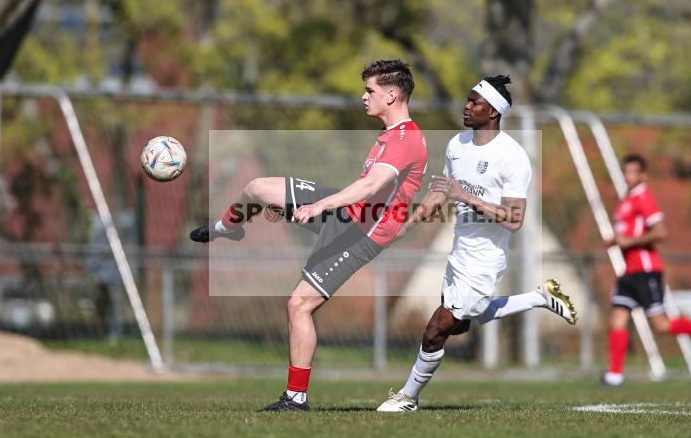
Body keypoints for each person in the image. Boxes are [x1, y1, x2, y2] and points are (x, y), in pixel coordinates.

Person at [190, 59, 428, 411]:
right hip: (348, 215)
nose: (364, 97)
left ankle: (296, 397)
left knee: (298, 305)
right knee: (257, 188)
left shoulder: (408, 139)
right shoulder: (390, 135)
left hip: (362, 235)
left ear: (392, 95)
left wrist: (318, 208)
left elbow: (370, 187)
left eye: (370, 90)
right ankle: (229, 227)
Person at [376, 75, 577, 413]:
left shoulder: (512, 157)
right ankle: (540, 297)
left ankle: (407, 397)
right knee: (460, 323)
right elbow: (441, 190)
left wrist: (465, 195)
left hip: (486, 259)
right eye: (468, 100)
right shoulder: (457, 144)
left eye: (475, 102)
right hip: (459, 251)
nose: (467, 107)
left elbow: (514, 219)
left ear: (493, 112)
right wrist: (407, 224)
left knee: (437, 328)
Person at [601, 153, 691, 387]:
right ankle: (614, 375)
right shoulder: (627, 200)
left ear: (643, 175)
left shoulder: (643, 197)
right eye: (625, 171)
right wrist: (615, 240)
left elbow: (661, 232)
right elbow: (628, 233)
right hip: (629, 273)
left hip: (646, 271)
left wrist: (628, 242)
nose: (628, 176)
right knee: (617, 319)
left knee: (661, 325)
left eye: (633, 172)